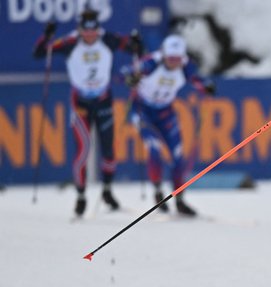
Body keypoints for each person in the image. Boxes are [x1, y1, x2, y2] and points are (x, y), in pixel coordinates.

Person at [33, 8, 143, 216]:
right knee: (83, 151)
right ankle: (81, 196)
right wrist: (46, 35)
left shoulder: (107, 39)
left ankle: (107, 191)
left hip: (103, 101)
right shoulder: (70, 42)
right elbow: (40, 53)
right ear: (80, 29)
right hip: (80, 103)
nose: (90, 35)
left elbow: (134, 49)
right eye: (86, 31)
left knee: (109, 151)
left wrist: (136, 42)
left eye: (93, 30)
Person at [122, 34, 216, 216]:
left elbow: (196, 80)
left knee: (177, 155)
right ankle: (158, 194)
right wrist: (130, 78)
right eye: (170, 58)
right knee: (154, 150)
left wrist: (206, 86)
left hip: (165, 113)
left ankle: (180, 200)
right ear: (163, 54)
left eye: (178, 59)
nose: (174, 63)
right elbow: (126, 71)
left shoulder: (186, 66)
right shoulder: (151, 63)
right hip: (143, 111)